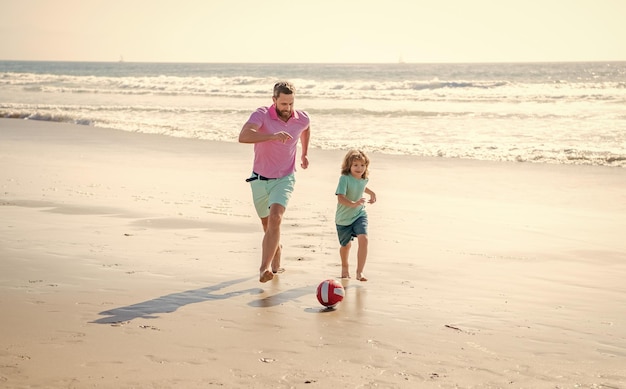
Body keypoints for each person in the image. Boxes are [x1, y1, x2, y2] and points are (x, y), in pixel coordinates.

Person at [238, 81, 311, 283]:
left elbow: (305, 128)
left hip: (285, 177)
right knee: (266, 224)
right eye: (283, 104)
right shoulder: (261, 114)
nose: (288, 108)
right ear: (274, 100)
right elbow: (243, 136)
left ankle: (264, 269)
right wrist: (272, 136)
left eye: (291, 104)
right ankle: (276, 250)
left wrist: (304, 153)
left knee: (276, 218)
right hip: (260, 178)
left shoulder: (301, 117)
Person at [335, 149, 376, 281]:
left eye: (362, 165)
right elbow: (340, 198)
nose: (359, 168)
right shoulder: (344, 179)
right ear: (349, 166)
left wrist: (372, 193)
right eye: (356, 165)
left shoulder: (364, 179)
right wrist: (353, 203)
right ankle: (345, 266)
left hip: (359, 214)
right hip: (343, 218)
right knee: (346, 246)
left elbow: (361, 186)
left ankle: (360, 272)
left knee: (364, 239)